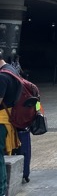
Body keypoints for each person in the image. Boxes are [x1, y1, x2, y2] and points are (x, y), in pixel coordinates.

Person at [0, 49, 21, 195]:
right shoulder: (12, 70)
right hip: (8, 119)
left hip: (1, 121)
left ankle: (1, 190)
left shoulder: (2, 76)